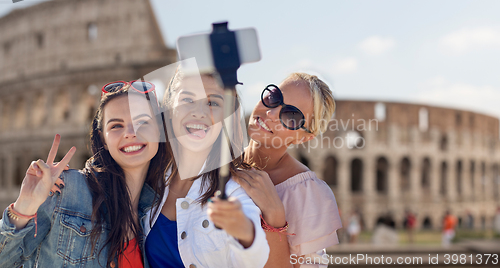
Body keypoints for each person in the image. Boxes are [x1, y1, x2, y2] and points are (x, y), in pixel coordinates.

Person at [0, 82, 168, 268]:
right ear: (103, 139)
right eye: (116, 126)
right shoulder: (65, 191)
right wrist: (24, 207)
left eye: (142, 122)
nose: (130, 133)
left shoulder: (160, 211)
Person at [144, 71, 269, 268]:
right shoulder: (149, 179)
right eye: (187, 99)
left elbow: (255, 257)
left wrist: (245, 232)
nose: (199, 112)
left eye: (213, 103)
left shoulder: (234, 189)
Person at [235, 73, 342, 268]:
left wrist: (274, 218)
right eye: (273, 97)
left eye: (291, 116)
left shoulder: (307, 194)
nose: (271, 113)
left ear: (304, 137)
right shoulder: (218, 164)